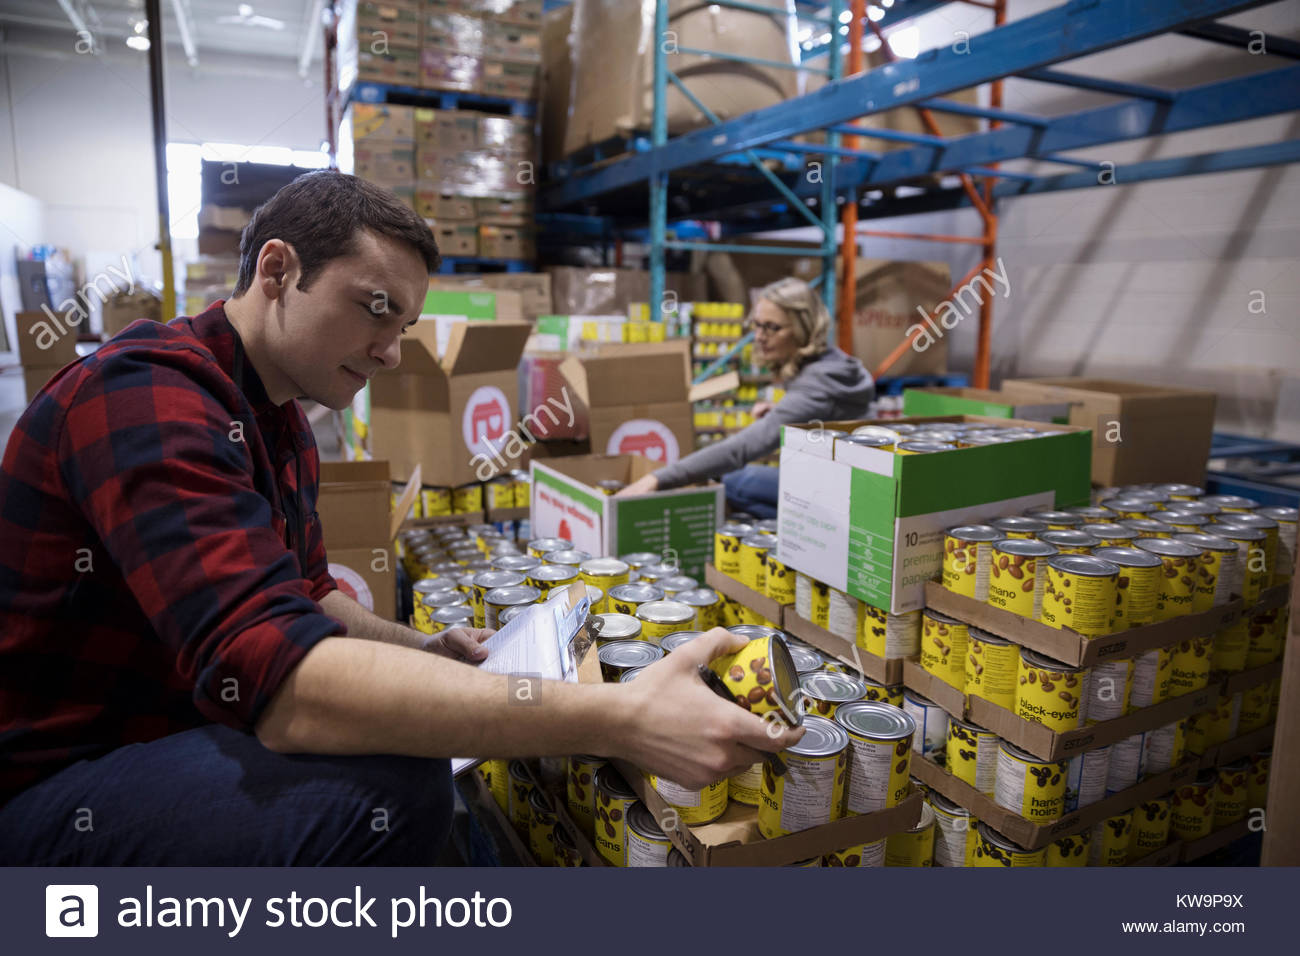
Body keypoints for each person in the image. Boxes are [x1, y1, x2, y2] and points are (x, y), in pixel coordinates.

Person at [0, 171, 801, 865]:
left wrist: (428, 650)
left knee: (406, 737)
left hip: (171, 727)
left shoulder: (278, 412)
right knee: (394, 788)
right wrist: (619, 719)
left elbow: (309, 596)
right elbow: (283, 686)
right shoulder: (146, 396)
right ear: (277, 270)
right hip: (63, 784)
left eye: (405, 327)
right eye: (374, 310)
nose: (391, 351)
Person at [619, 277, 873, 518]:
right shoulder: (832, 363)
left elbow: (740, 450)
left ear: (803, 329)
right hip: (842, 480)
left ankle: (805, 536)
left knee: (734, 480)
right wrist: (782, 409)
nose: (760, 336)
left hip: (843, 495)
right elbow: (826, 412)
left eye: (772, 327)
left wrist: (657, 478)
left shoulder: (816, 385)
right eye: (758, 324)